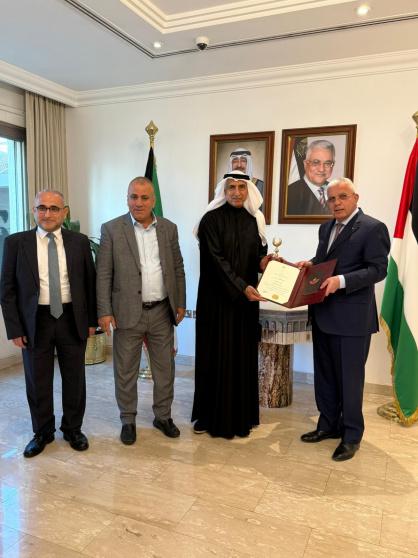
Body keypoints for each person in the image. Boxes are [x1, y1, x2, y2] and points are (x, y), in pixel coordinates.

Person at [297, 178, 390, 461]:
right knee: (325, 375)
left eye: (343, 197)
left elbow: (378, 269)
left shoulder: (373, 228)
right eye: (331, 198)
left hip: (353, 319)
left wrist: (342, 281)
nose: (336, 203)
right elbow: (326, 261)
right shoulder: (326, 228)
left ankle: (351, 436)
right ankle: (327, 425)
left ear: (355, 198)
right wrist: (311, 264)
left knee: (350, 380)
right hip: (323, 313)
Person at [0, 190, 96, 458]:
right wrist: (15, 328)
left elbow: (89, 284)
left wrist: (91, 321)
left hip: (71, 318)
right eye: (41, 208)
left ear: (64, 212)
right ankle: (42, 432)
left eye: (54, 208)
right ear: (34, 211)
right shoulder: (16, 243)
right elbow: (7, 290)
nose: (47, 213)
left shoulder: (79, 242)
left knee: (74, 378)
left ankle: (73, 429)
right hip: (35, 321)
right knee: (37, 380)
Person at [96, 177, 186, 445]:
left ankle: (163, 416)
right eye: (133, 197)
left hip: (161, 311)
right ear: (127, 199)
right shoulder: (112, 229)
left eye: (144, 197)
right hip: (126, 312)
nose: (138, 202)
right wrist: (104, 311)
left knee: (164, 369)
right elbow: (103, 273)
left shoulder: (169, 228)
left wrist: (180, 302)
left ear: (153, 200)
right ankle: (128, 419)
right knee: (125, 370)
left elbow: (178, 268)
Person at [192, 170, 273, 439]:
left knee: (241, 356)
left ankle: (242, 417)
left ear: (248, 190)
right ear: (223, 191)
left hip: (245, 304)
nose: (237, 192)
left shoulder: (254, 220)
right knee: (213, 356)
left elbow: (257, 258)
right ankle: (209, 417)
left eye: (241, 187)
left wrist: (265, 263)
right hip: (216, 302)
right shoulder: (210, 220)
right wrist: (242, 287)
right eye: (231, 188)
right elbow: (216, 261)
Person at [287, 139, 335, 216]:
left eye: (327, 163)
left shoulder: (336, 190)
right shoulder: (289, 194)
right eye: (316, 162)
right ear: (305, 164)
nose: (321, 169)